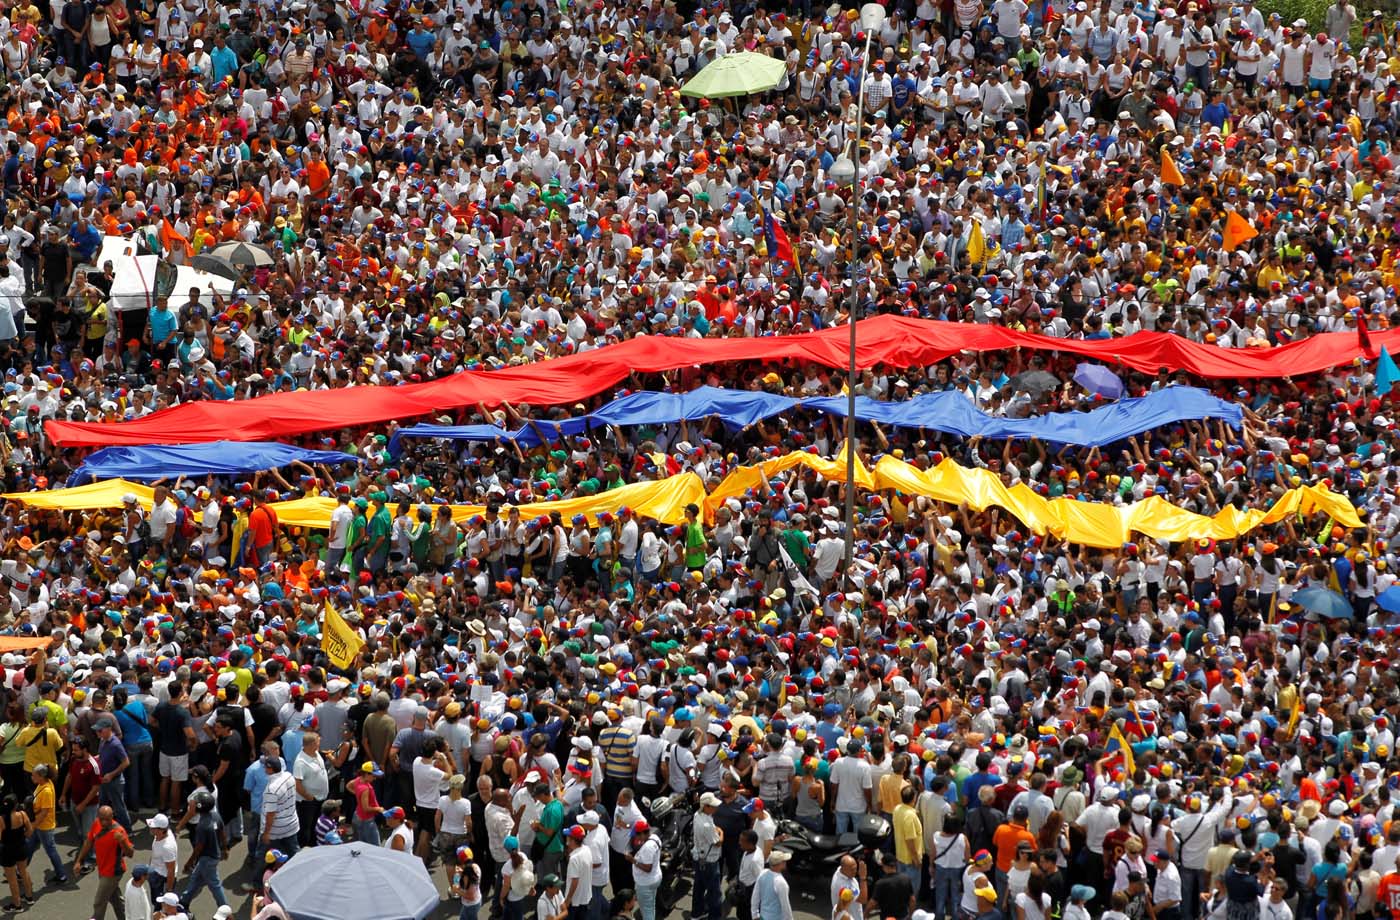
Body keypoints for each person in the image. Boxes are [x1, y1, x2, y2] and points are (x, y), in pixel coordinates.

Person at [74, 805, 134, 920]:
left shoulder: (119, 831)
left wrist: (123, 842)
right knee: (114, 898)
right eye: (101, 818)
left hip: (113, 872)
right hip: (102, 869)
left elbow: (130, 853)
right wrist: (79, 861)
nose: (103, 822)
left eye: (106, 819)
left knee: (99, 902)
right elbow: (88, 842)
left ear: (112, 816)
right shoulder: (96, 823)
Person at [179, 789, 228, 910]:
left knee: (215, 885)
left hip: (207, 859)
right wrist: (225, 848)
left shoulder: (202, 826)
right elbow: (222, 832)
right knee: (196, 877)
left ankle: (224, 908)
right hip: (212, 855)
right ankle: (184, 901)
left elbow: (199, 847)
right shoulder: (215, 816)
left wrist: (189, 862)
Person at [28, 763, 66, 885]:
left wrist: (32, 826)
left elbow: (44, 813)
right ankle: (20, 871)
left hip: (44, 827)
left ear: (41, 776)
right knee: (30, 847)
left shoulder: (47, 791)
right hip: (39, 825)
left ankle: (61, 875)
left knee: (51, 850)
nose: (31, 777)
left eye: (33, 775)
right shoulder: (43, 784)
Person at [692, 791, 723, 920]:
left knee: (698, 887)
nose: (716, 808)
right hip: (709, 861)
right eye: (713, 806)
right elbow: (718, 842)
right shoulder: (706, 825)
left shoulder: (697, 815)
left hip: (698, 857)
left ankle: (696, 913)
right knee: (714, 892)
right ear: (705, 806)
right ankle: (714, 916)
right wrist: (722, 832)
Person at [0, 792, 32, 910]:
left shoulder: (1, 819)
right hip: (21, 847)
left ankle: (17, 905)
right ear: (16, 805)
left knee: (12, 879)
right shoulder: (23, 814)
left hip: (7, 850)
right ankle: (29, 897)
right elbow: (30, 831)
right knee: (23, 871)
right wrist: (21, 838)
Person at [627, 819, 661, 920]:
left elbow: (647, 868)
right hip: (654, 878)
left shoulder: (648, 847)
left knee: (646, 911)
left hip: (646, 883)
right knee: (651, 907)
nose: (635, 837)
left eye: (637, 835)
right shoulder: (655, 837)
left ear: (642, 834)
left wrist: (633, 860)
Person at [752, 849, 793, 920]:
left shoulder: (762, 873)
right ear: (779, 864)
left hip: (763, 917)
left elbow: (755, 896)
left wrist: (754, 915)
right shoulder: (781, 882)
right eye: (783, 861)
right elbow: (785, 906)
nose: (785, 862)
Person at [452, 845, 483, 920]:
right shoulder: (475, 867)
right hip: (477, 900)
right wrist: (461, 872)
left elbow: (470, 897)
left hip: (470, 905)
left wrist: (457, 891)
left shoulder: (467, 876)